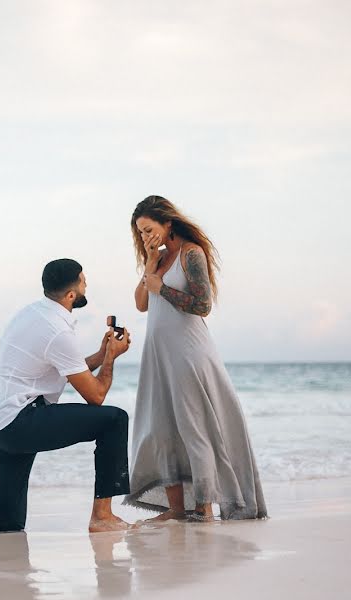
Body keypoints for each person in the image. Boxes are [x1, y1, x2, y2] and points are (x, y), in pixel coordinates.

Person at [0, 258, 134, 539]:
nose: (86, 285)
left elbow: (66, 369)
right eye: (83, 281)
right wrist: (111, 360)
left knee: (10, 520)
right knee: (114, 420)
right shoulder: (58, 330)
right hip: (21, 422)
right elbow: (95, 396)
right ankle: (103, 516)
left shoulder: (31, 315)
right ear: (72, 294)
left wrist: (101, 353)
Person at [124, 196, 268, 521]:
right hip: (158, 357)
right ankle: (177, 509)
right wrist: (149, 264)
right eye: (140, 233)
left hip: (189, 353)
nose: (146, 237)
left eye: (149, 230)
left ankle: (203, 507)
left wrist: (162, 288)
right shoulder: (157, 261)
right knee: (160, 431)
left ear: (167, 222)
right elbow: (140, 304)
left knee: (194, 429)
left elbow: (202, 305)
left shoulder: (191, 253)